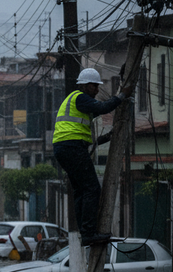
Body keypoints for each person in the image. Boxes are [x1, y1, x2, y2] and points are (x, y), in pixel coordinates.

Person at [52, 68, 134, 246]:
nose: (97, 90)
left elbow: (93, 118)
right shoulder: (80, 98)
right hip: (71, 147)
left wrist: (106, 137)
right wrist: (122, 96)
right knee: (91, 189)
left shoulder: (78, 103)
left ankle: (85, 232)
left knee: (81, 191)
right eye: (94, 86)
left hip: (65, 148)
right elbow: (103, 107)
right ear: (84, 85)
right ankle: (89, 233)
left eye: (97, 86)